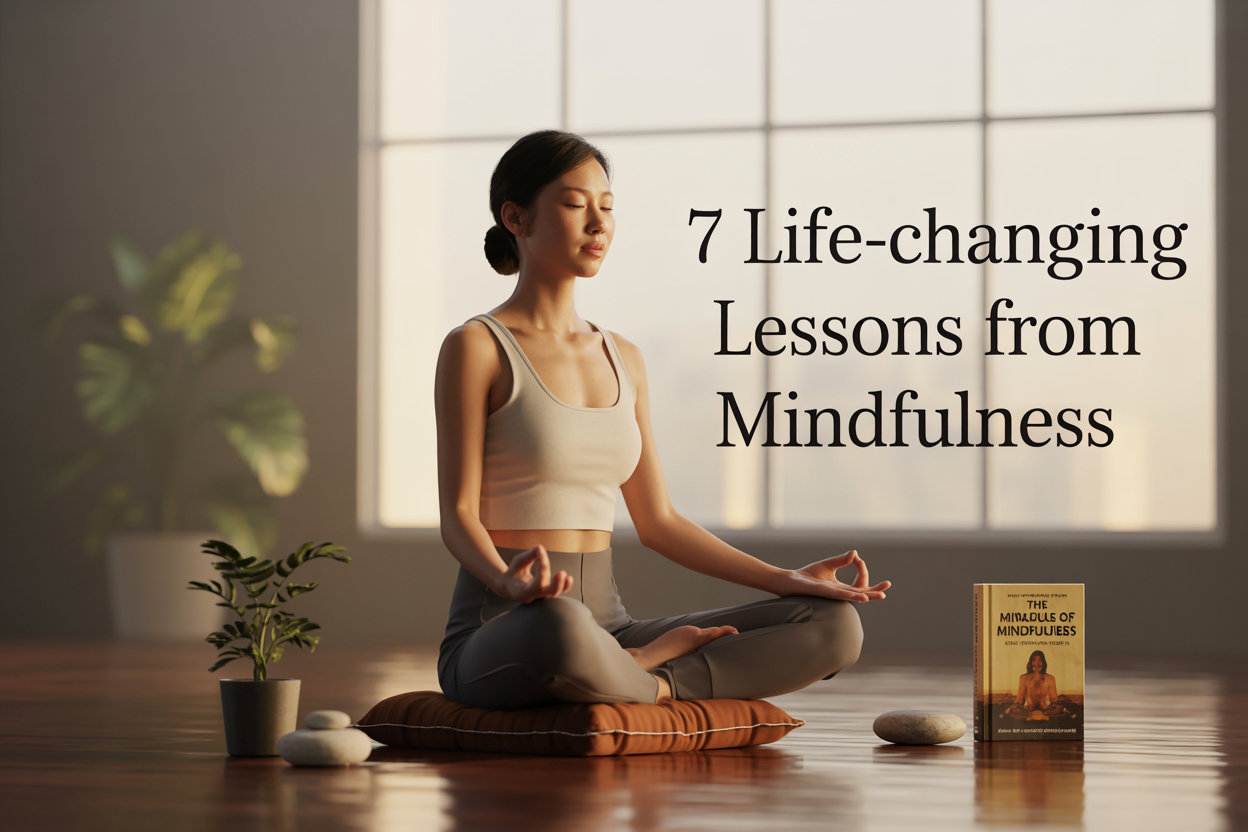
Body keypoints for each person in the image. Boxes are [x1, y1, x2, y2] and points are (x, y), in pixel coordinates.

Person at [434, 130, 890, 710]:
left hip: (608, 626)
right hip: (507, 626)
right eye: (576, 205)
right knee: (558, 626)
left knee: (833, 625)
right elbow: (457, 516)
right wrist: (508, 582)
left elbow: (659, 522)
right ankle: (644, 675)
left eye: (608, 207)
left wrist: (787, 579)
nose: (598, 223)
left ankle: (648, 679)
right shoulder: (476, 347)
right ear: (516, 218)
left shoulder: (623, 356)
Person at [1005, 650, 1071, 721]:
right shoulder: (1024, 678)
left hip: (1046, 711)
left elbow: (1054, 700)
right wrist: (1012, 707)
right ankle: (1034, 717)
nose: (1037, 663)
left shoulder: (1050, 678)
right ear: (1030, 662)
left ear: (1043, 662)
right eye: (1034, 660)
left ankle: (1041, 717)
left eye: (1040, 660)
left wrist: (1056, 707)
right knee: (1013, 710)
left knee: (1059, 709)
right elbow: (1019, 700)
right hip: (1028, 710)